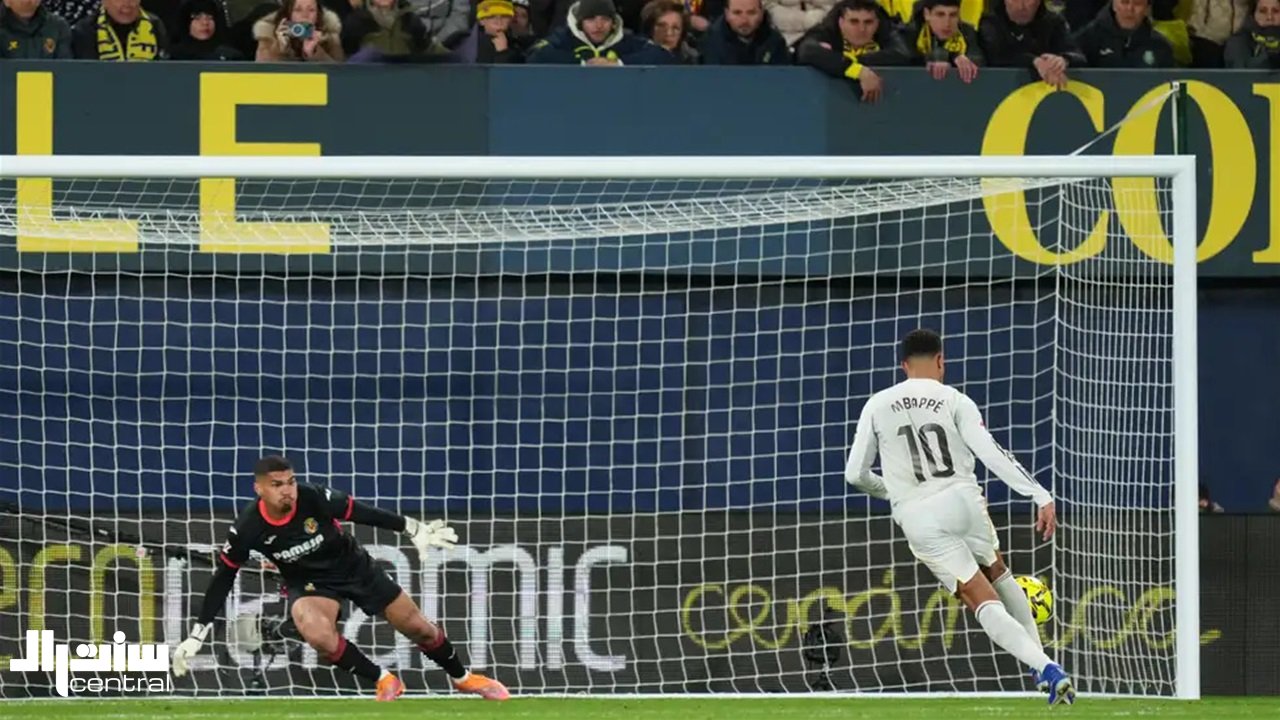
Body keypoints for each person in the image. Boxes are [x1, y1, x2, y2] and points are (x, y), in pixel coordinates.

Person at [844, 329, 1076, 706]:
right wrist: (1039, 494)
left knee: (977, 596)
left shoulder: (877, 404)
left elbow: (855, 474)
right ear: (941, 361)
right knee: (998, 571)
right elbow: (991, 452)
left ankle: (1045, 668)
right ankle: (1042, 664)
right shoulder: (955, 399)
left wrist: (894, 491)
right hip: (963, 499)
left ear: (903, 366)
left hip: (918, 514)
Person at [171, 455, 510, 702]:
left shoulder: (312, 497)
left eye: (290, 482)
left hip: (353, 567)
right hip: (309, 584)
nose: (287, 491)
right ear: (258, 488)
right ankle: (384, 679)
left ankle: (463, 678)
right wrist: (198, 634)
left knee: (419, 628)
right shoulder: (247, 528)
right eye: (277, 485)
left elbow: (361, 512)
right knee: (316, 633)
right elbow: (224, 576)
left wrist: (411, 527)